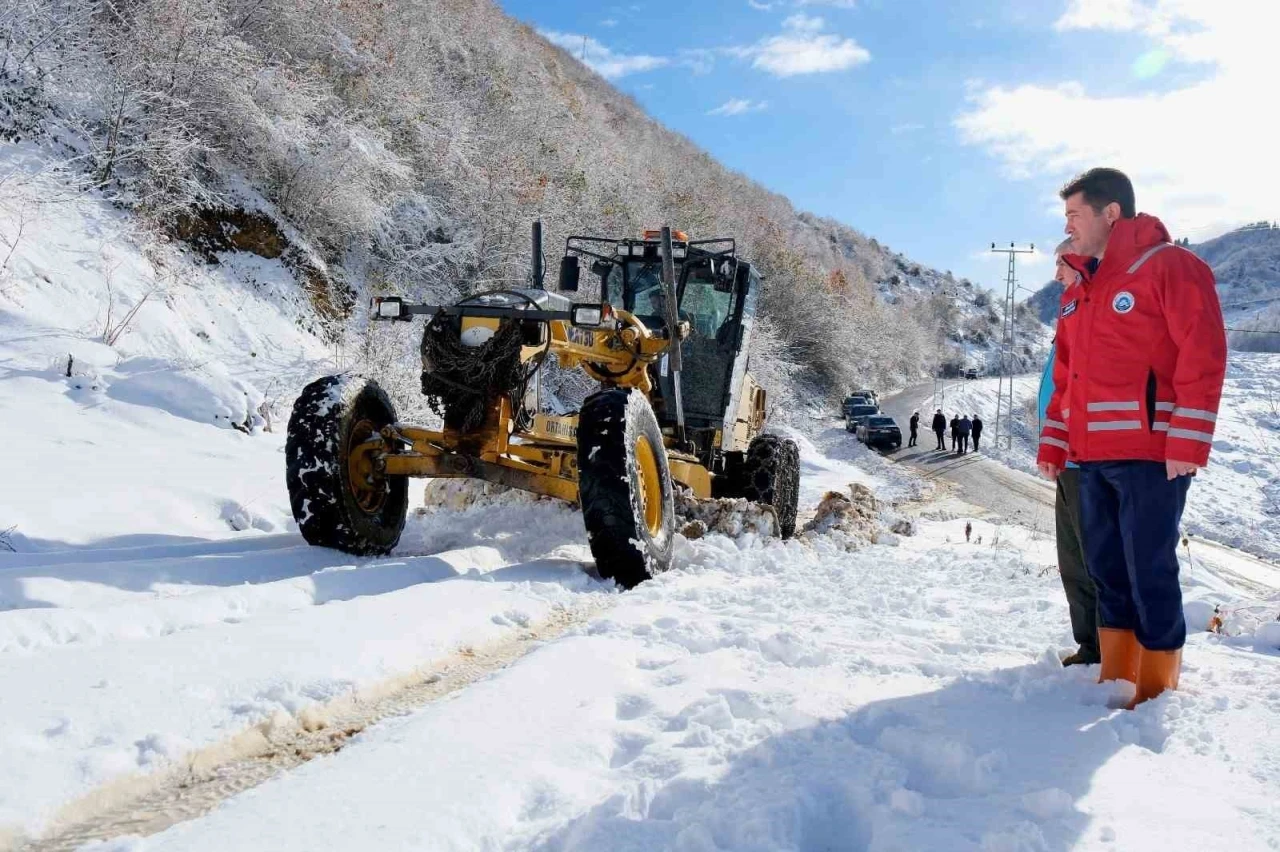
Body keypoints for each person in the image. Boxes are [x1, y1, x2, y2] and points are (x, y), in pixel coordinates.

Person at [1037, 168, 1227, 707]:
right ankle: (1117, 677)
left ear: (1110, 212)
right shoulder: (1079, 292)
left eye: (1074, 215)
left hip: (1150, 457)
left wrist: (1187, 444)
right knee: (1106, 571)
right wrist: (1055, 445)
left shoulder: (1170, 266)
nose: (1068, 227)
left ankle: (1157, 688)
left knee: (1150, 570)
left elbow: (1203, 354)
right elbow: (1067, 381)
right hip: (1089, 459)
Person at [1040, 239, 1099, 668]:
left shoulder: (1094, 314)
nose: (1057, 274)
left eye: (1060, 263)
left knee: (1094, 562)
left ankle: (1106, 652)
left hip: (1089, 459)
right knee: (1072, 561)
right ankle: (1090, 647)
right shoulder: (1069, 315)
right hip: (1067, 460)